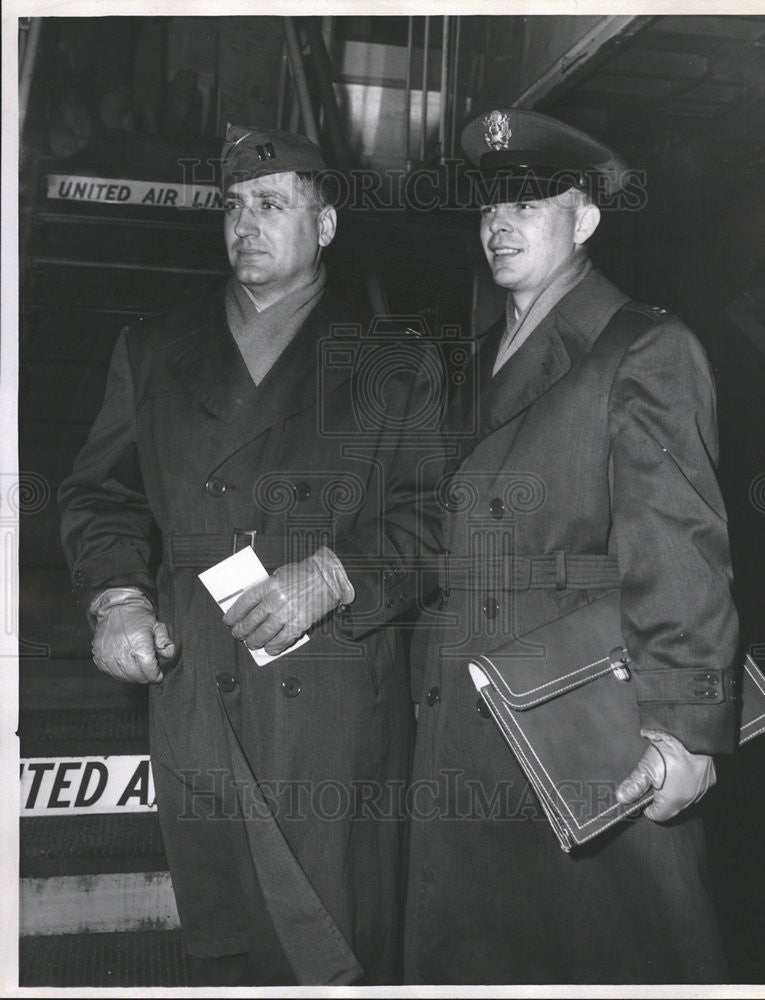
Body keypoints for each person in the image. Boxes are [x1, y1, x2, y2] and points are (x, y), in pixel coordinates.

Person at [58, 125, 441, 986]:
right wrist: (117, 596)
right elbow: (101, 493)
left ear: (328, 226)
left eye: (271, 204)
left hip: (332, 701)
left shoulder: (394, 359)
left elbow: (436, 519)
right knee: (223, 943)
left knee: (333, 944)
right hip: (192, 680)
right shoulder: (153, 346)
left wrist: (335, 573)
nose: (245, 223)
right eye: (232, 205)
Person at [400, 109, 741, 984]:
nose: (499, 224)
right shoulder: (475, 359)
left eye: (527, 201)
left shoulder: (644, 347)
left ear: (584, 219)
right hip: (468, 724)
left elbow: (680, 553)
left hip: (584, 732)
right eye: (488, 207)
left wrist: (686, 735)